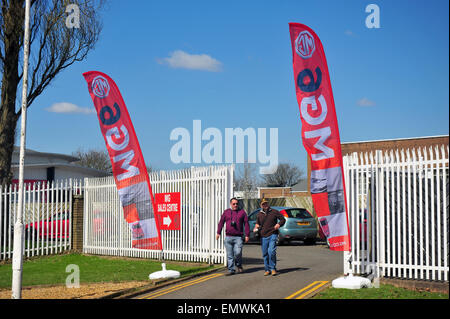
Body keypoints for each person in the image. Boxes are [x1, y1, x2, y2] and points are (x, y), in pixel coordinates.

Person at [216, 198, 250, 275]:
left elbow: (246, 223)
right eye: (234, 204)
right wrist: (218, 233)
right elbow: (221, 222)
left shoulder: (242, 212)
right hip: (228, 237)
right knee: (230, 255)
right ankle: (231, 270)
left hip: (238, 237)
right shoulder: (226, 212)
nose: (235, 205)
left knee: (238, 253)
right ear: (230, 204)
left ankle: (239, 265)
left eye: (237, 204)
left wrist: (247, 235)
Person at [253, 198, 286, 276]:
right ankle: (267, 269)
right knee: (265, 254)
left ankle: (273, 269)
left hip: (273, 234)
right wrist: (255, 228)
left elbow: (283, 219)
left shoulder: (274, 212)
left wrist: (278, 224)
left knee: (271, 252)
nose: (265, 205)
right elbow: (257, 224)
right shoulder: (259, 214)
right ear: (261, 205)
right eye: (263, 204)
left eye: (266, 203)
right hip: (263, 235)